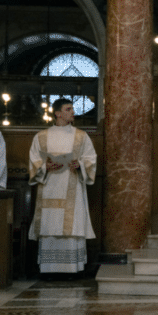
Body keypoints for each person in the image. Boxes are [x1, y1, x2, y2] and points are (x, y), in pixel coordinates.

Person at [28, 98, 97, 275]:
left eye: (72, 109)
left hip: (72, 186)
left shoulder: (81, 136)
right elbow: (34, 160)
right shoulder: (41, 136)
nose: (73, 112)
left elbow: (91, 159)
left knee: (71, 227)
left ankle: (72, 270)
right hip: (49, 186)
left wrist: (80, 165)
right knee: (50, 226)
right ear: (57, 113)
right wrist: (45, 167)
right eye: (68, 109)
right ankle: (49, 271)